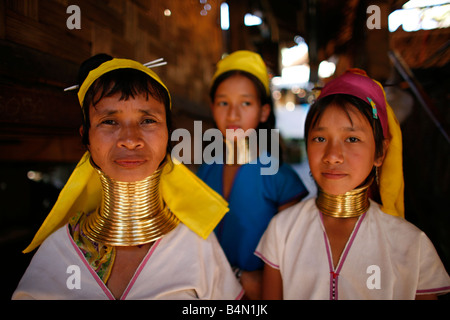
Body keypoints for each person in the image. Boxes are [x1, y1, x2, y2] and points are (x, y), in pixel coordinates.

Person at [12, 54, 243, 300]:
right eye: (109, 121)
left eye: (148, 120)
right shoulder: (58, 251)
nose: (131, 140)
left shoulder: (195, 245)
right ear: (86, 137)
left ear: (169, 136)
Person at [255, 69, 450, 300]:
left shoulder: (412, 246)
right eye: (320, 138)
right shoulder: (282, 231)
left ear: (380, 151)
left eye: (352, 139)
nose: (333, 156)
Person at [196, 50, 308, 299]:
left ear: (264, 112)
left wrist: (245, 278)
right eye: (223, 102)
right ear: (212, 107)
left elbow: (291, 263)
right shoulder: (206, 170)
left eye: (245, 103)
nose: (233, 114)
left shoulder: (281, 179)